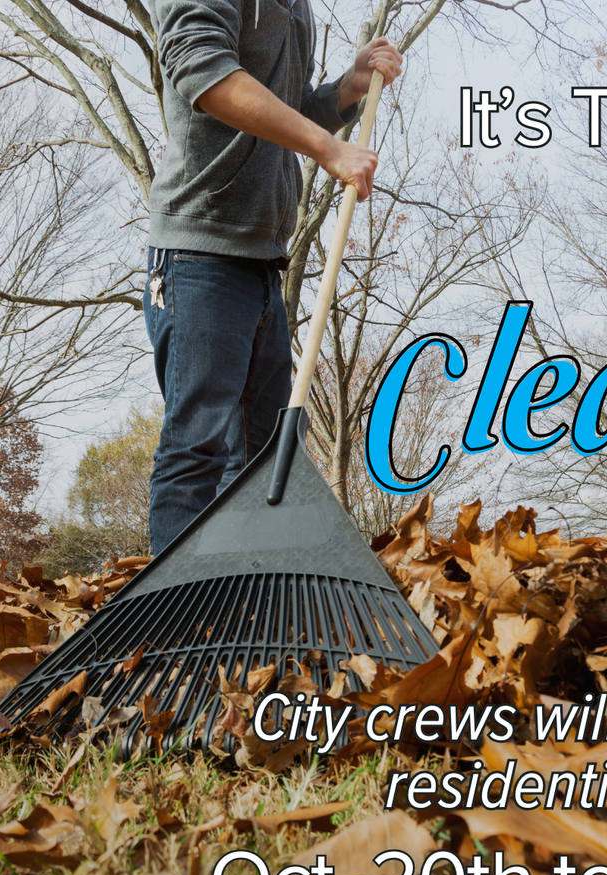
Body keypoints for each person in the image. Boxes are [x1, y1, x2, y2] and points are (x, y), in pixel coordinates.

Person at [143, 0, 402, 554]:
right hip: (199, 253)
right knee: (198, 451)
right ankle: (172, 626)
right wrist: (329, 148)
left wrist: (347, 88)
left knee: (261, 461)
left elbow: (286, 110)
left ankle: (245, 614)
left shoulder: (296, 7)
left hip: (264, 262)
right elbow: (201, 69)